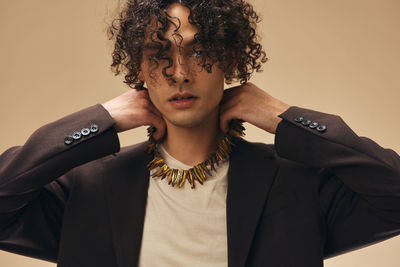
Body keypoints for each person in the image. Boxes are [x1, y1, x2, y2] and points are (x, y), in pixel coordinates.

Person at [0, 0, 399, 266]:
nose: (180, 72)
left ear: (230, 58)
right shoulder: (89, 188)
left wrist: (284, 117)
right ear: (139, 70)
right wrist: (99, 119)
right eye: (159, 55)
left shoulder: (296, 185)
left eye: (199, 51)